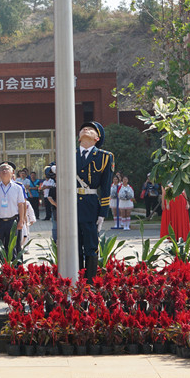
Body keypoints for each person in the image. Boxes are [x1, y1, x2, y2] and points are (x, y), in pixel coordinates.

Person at [76, 121, 114, 283]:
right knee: (74, 244)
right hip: (72, 204)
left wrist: (103, 213)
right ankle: (75, 279)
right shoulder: (69, 154)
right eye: (83, 128)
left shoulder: (105, 157)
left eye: (90, 130)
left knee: (91, 245)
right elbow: (48, 169)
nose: (85, 129)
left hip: (91, 204)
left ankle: (90, 282)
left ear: (97, 138)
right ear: (78, 137)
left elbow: (106, 187)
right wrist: (52, 170)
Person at [0, 163, 26, 260]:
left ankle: (13, 270)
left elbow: (21, 205)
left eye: (6, 169)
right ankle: (0, 269)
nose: (4, 171)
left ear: (12, 172)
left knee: (12, 247)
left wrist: (21, 220)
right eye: (2, 170)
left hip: (12, 221)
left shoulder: (18, 188)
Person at [44, 164, 58, 241]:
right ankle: (55, 242)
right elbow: (50, 198)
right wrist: (57, 205)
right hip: (55, 210)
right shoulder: (53, 187)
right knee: (55, 227)